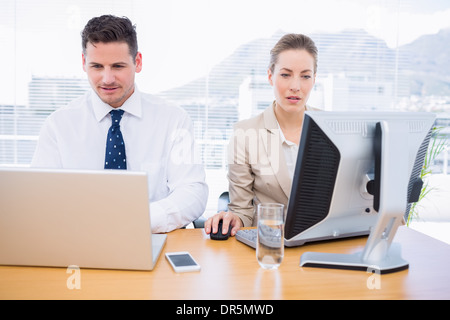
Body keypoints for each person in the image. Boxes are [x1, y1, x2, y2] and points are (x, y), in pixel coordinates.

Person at [31, 15, 208, 233]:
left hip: (152, 237)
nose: (107, 79)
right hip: (78, 241)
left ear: (138, 62)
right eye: (97, 66)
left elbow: (192, 192)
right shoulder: (57, 126)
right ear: (84, 63)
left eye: (117, 66)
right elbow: (41, 198)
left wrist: (137, 221)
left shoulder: (174, 120)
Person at [205, 33, 320, 237]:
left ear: (314, 79)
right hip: (269, 245)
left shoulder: (333, 129)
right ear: (270, 76)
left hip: (327, 243)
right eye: (285, 74)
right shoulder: (244, 135)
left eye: (305, 75)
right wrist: (234, 218)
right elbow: (242, 211)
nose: (295, 86)